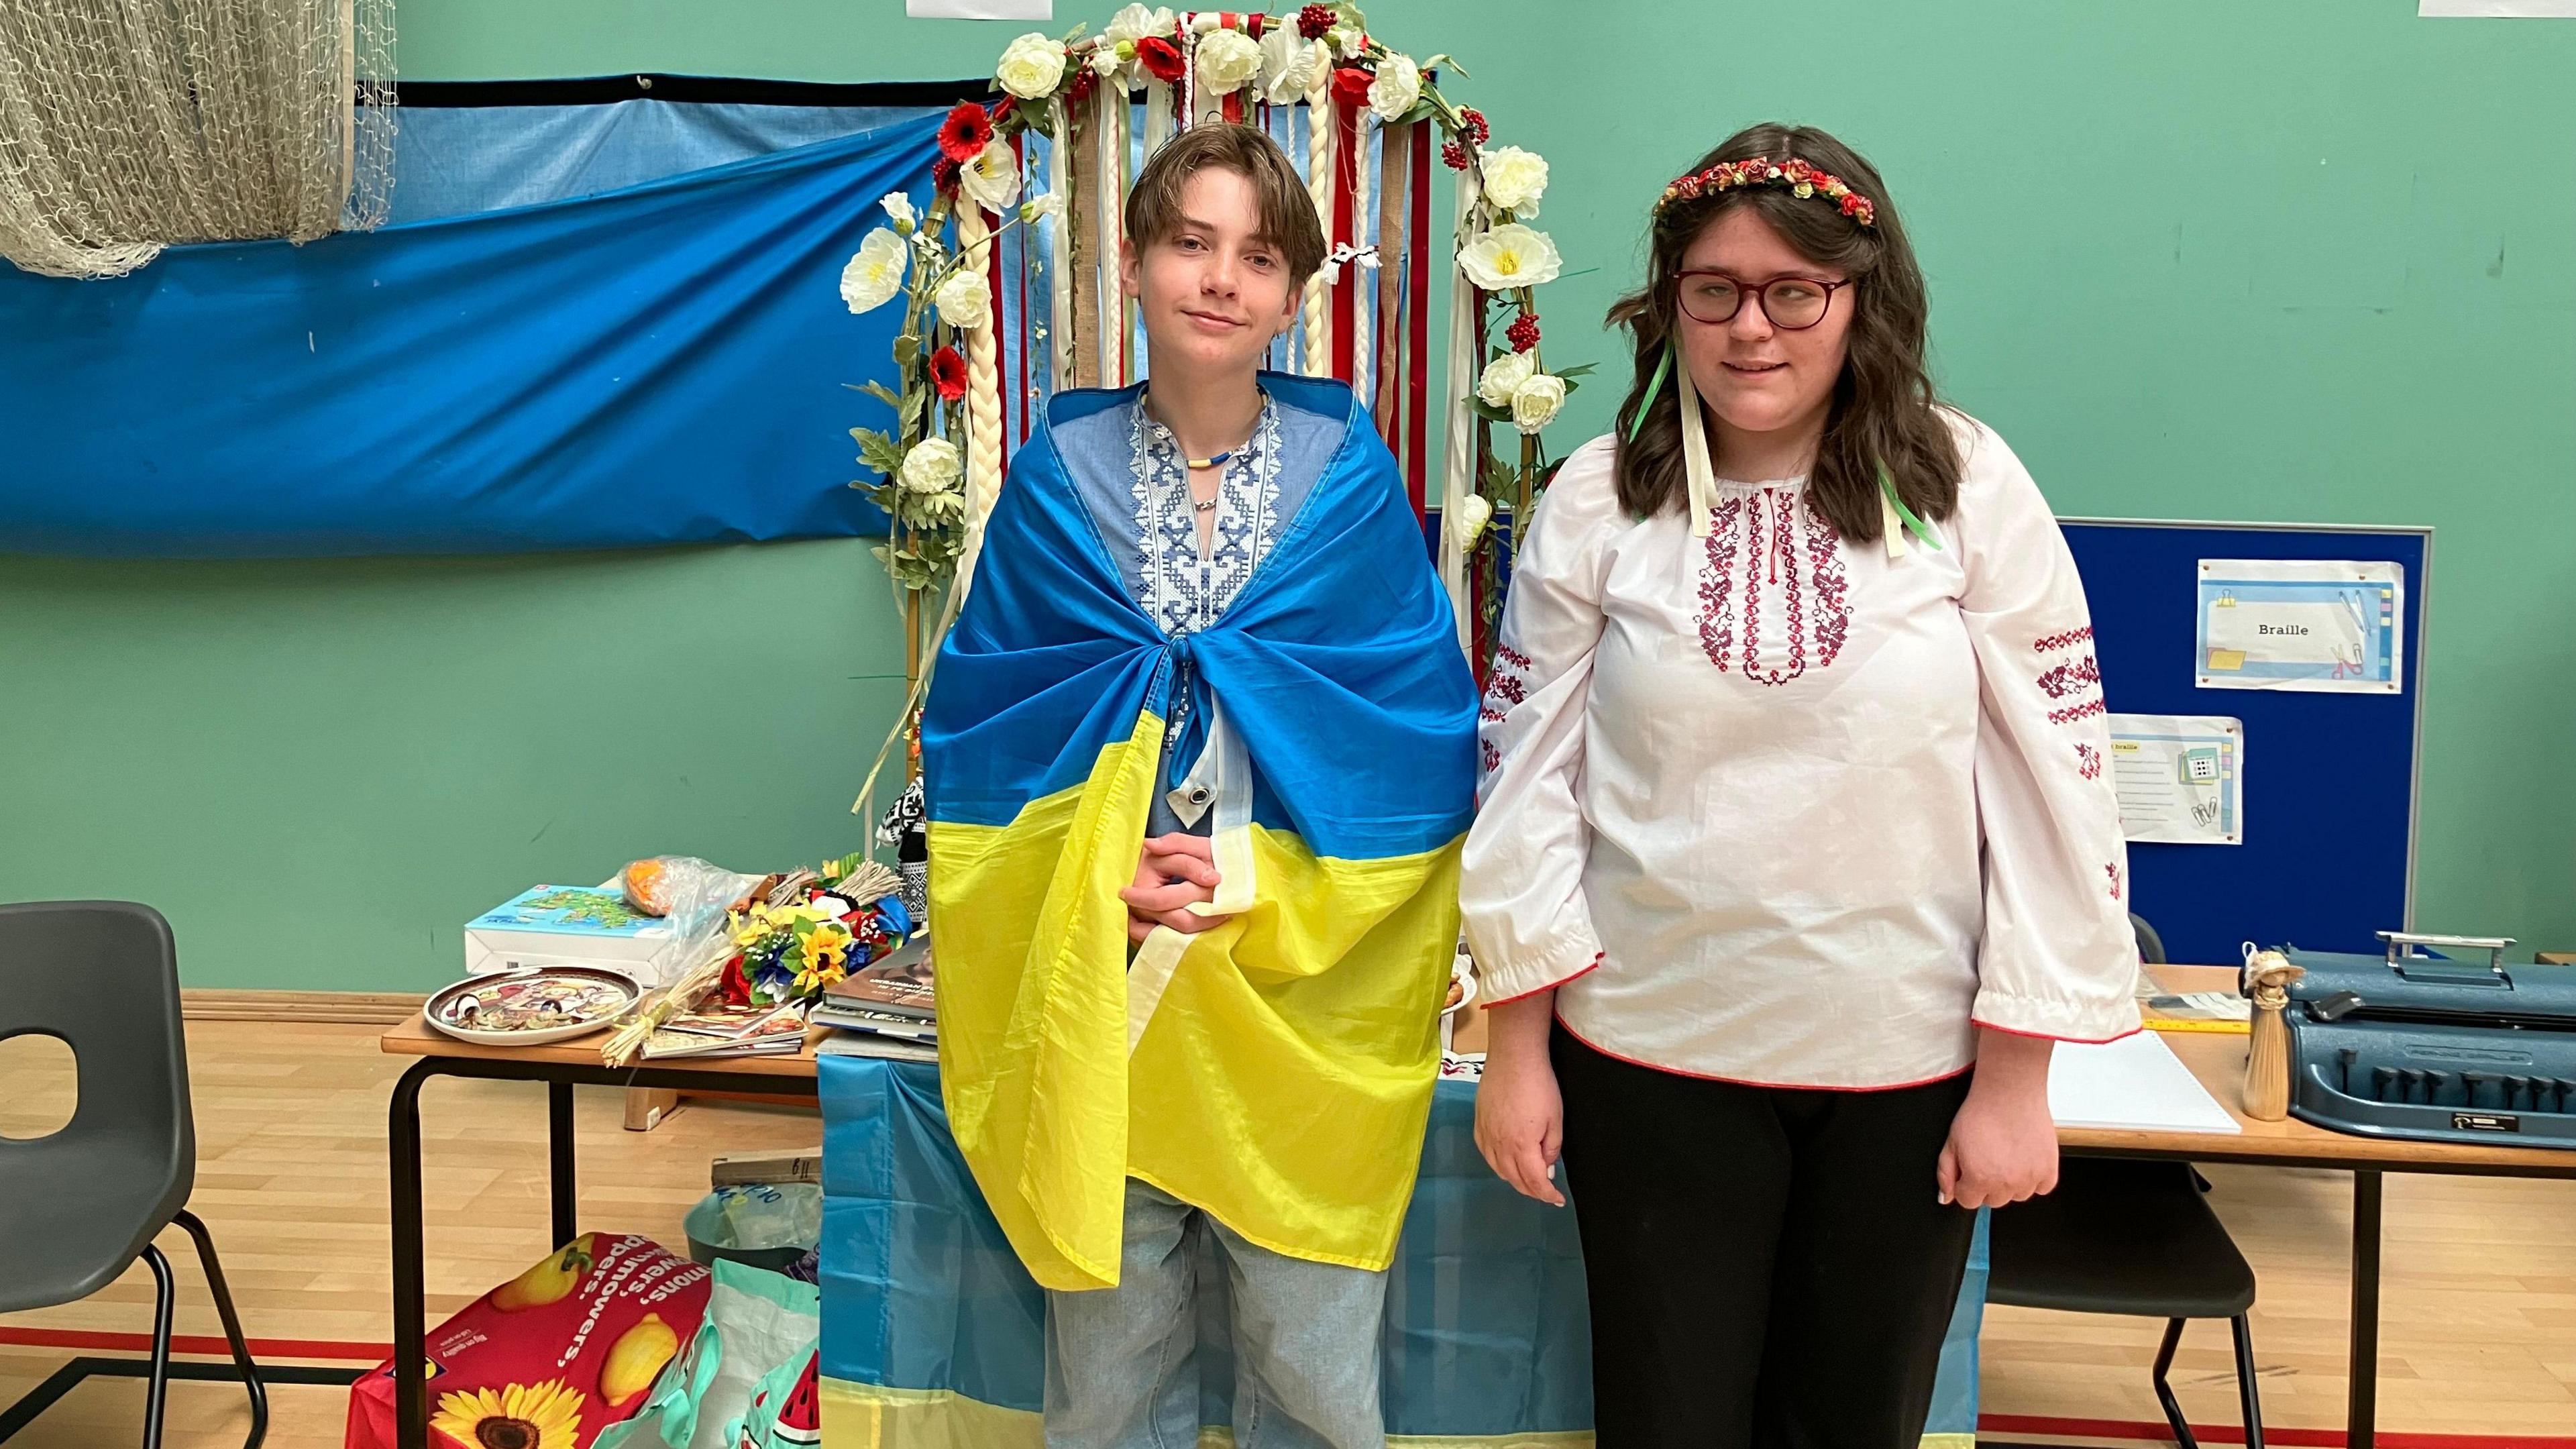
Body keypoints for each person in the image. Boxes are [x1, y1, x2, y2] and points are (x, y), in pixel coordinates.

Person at [1462, 123, 2141, 1448]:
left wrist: (2017, 1078)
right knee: (1667, 1423)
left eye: (1794, 292)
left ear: (1859, 301)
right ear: (1670, 307)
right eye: (1713, 289)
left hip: (1904, 1071)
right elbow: (1527, 779)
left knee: (1853, 1425)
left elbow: (2056, 776)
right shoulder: (1603, 502)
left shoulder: (1966, 488)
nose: (1750, 328)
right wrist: (1517, 1049)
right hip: (1652, 1063)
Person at [921, 122, 1479, 1449]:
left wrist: (1259, 877)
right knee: (1109, 1356)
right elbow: (991, 726)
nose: (1222, 279)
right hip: (1108, 960)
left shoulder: (1352, 482)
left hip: (1300, 972)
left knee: (1313, 1348)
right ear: (1132, 263)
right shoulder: (1055, 481)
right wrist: (1092, 878)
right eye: (1191, 243)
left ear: (1295, 294)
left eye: (1258, 255)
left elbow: (1407, 732)